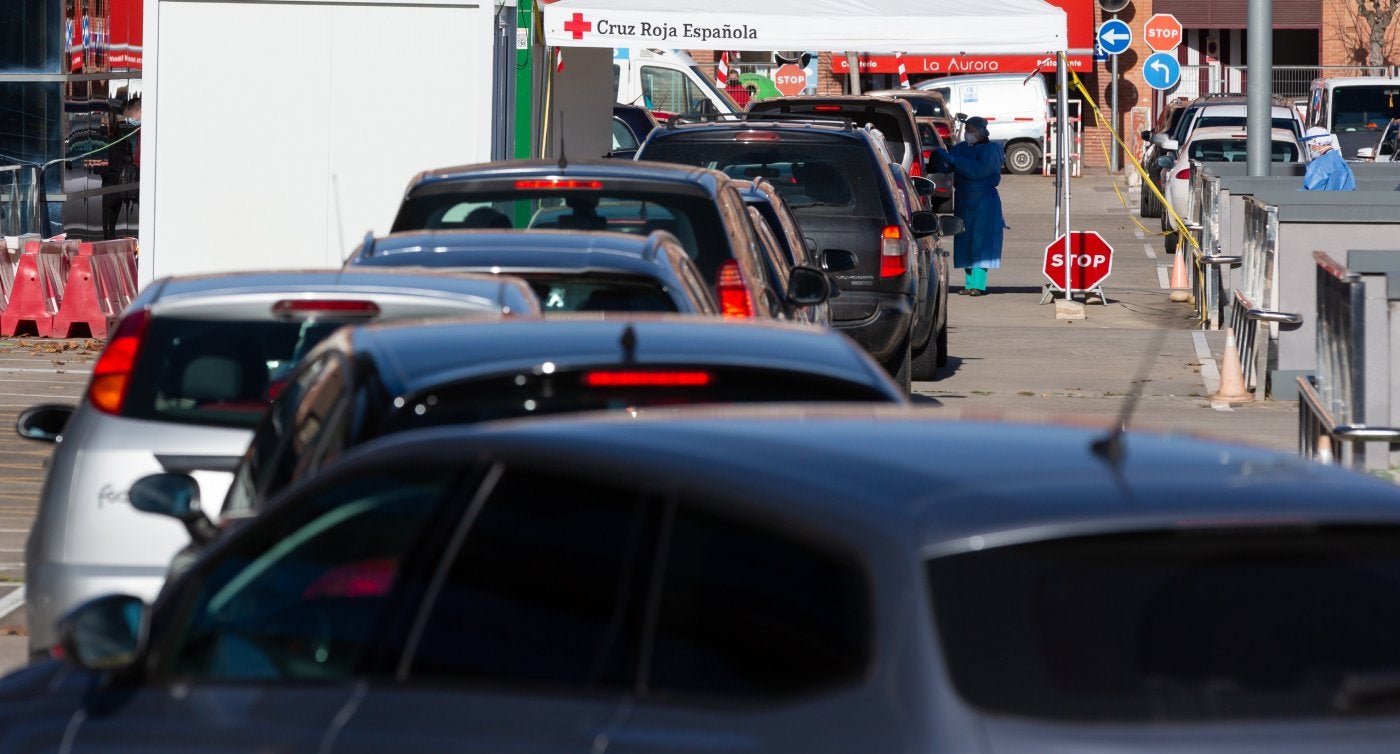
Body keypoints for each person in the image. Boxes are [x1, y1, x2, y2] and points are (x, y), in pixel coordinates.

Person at [930, 116, 1005, 296]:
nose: (968, 133)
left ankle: (978, 285)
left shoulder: (991, 150)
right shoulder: (963, 148)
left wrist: (954, 161)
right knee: (965, 241)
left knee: (980, 241)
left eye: (971, 130)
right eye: (967, 130)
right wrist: (939, 157)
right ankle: (970, 283)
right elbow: (948, 165)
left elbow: (977, 171)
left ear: (981, 131)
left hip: (983, 201)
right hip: (964, 199)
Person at [1299, 126, 1356, 191]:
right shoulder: (1340, 160)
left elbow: (1313, 191)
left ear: (1315, 142)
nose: (1310, 148)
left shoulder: (1319, 164)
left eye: (1310, 145)